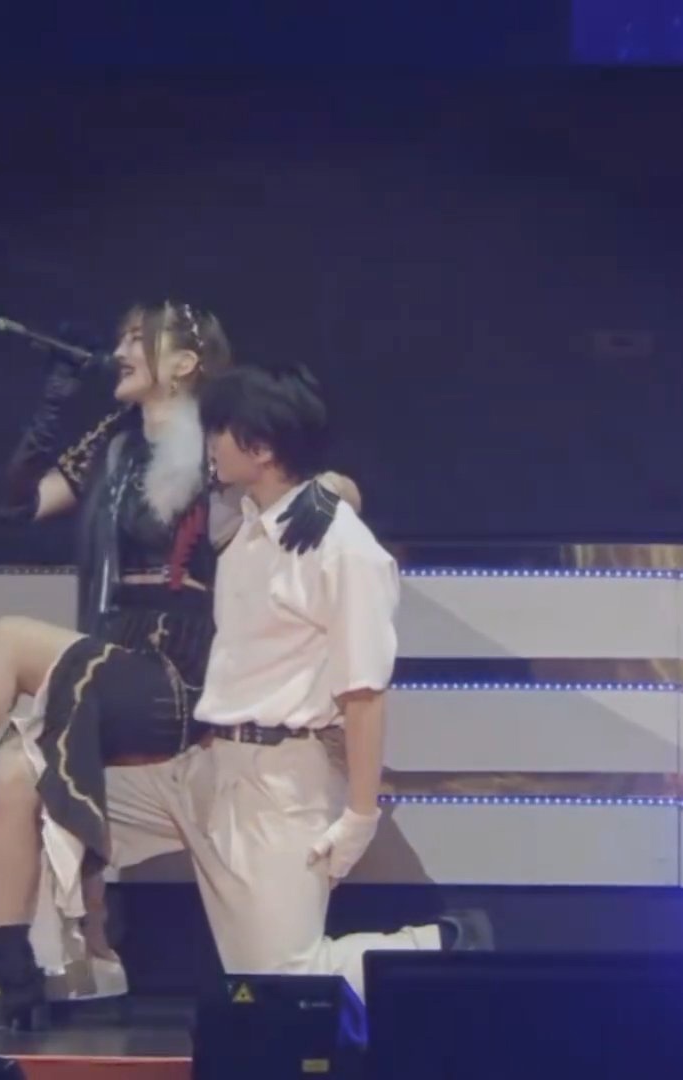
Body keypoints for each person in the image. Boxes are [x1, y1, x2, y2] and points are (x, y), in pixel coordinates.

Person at [0, 301, 358, 1033]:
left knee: (8, 639)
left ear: (185, 362)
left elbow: (315, 479)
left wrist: (330, 492)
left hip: (181, 667)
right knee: (13, 771)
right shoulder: (116, 444)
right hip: (113, 653)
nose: (121, 349)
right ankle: (10, 975)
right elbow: (18, 504)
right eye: (123, 337)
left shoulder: (220, 441)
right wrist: (53, 401)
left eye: (138, 338)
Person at [93, 363, 492, 1000]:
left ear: (260, 447)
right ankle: (67, 970)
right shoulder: (249, 526)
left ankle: (439, 947)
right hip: (206, 768)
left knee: (280, 979)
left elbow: (364, 693)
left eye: (220, 432)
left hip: (280, 782)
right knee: (49, 793)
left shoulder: (342, 549)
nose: (210, 445)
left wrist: (360, 814)